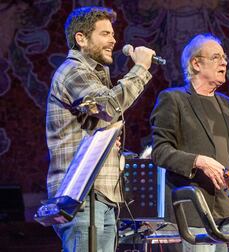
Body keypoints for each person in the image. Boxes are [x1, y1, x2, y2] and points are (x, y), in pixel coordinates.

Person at [46, 6, 155, 251]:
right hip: (82, 196)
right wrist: (140, 69)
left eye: (113, 34)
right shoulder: (72, 71)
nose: (113, 40)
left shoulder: (95, 77)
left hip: (103, 195)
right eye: (105, 33)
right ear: (81, 39)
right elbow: (109, 105)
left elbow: (101, 117)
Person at [150, 33, 229, 251]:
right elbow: (160, 151)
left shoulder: (226, 103)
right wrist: (198, 161)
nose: (224, 62)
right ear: (196, 63)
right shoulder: (174, 99)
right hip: (195, 210)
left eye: (225, 57)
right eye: (216, 57)